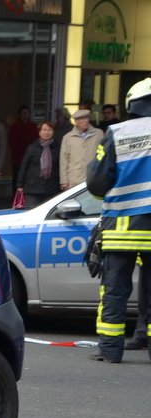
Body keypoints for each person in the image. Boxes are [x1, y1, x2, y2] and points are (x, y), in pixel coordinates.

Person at [85, 77, 151, 363]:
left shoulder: (117, 132)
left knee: (115, 290)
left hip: (121, 229)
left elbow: (97, 182)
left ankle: (111, 350)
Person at [14, 121, 59, 209]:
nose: (46, 132)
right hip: (32, 188)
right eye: (44, 130)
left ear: (53, 132)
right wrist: (20, 185)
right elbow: (24, 166)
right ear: (39, 132)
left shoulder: (57, 147)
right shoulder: (32, 147)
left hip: (51, 188)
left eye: (49, 130)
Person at [60, 109, 104, 190]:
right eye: (82, 119)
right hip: (74, 178)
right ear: (76, 121)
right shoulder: (68, 137)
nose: (86, 121)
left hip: (93, 177)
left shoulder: (98, 134)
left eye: (87, 118)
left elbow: (103, 155)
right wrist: (64, 180)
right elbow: (64, 160)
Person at [8, 105, 38, 192]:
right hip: (18, 158)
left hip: (31, 158)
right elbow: (12, 142)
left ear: (29, 114)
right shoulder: (15, 126)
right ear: (19, 115)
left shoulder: (33, 126)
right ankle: (16, 199)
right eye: (23, 113)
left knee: (29, 179)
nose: (25, 115)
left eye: (26, 113)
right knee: (17, 179)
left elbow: (36, 140)